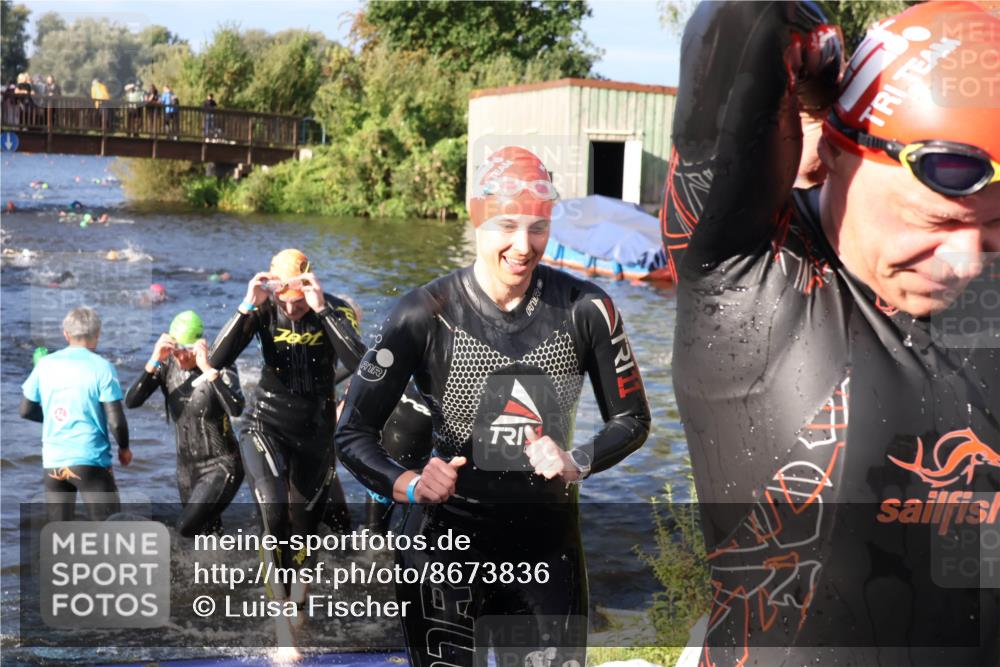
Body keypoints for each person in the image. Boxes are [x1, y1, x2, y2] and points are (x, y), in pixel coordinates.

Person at [662, 2, 1000, 665]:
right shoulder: (747, 271)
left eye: (995, 229)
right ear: (836, 155)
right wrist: (823, 87)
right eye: (935, 222)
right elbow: (747, 18)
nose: (966, 262)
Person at [336, 146, 651, 667]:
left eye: (538, 228)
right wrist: (411, 484)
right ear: (477, 219)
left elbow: (633, 419)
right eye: (507, 226)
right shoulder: (424, 312)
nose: (523, 247)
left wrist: (577, 461)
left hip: (545, 549)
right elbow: (352, 434)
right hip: (442, 545)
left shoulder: (588, 309)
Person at [208, 248, 366, 660]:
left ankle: (299, 600)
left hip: (315, 433)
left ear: (309, 285)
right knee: (273, 515)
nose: (292, 309)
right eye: (285, 301)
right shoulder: (262, 309)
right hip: (266, 423)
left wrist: (322, 310)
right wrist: (247, 305)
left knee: (305, 530)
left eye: (298, 301)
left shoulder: (334, 309)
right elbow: (217, 360)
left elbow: (360, 364)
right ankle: (283, 631)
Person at [125, 311, 245, 537]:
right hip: (186, 470)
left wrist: (208, 369)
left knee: (185, 529)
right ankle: (229, 559)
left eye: (185, 350)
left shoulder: (220, 363)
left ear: (199, 344)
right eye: (175, 350)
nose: (180, 357)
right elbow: (132, 401)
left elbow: (237, 407)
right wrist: (154, 359)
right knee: (206, 534)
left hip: (222, 464)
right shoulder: (167, 365)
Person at [20, 307, 131, 522]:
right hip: (90, 460)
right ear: (97, 334)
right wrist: (124, 448)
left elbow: (25, 410)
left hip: (54, 462)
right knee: (109, 529)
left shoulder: (45, 364)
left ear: (66, 334)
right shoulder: (103, 368)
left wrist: (55, 417)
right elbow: (116, 421)